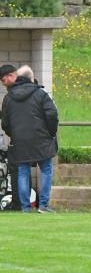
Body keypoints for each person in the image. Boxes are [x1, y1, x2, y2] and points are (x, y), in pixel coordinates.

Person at [1, 64, 58, 213]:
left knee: (23, 172)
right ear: (30, 79)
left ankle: (25, 208)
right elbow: (52, 115)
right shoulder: (40, 93)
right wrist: (51, 133)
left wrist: (15, 135)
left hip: (20, 141)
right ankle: (44, 205)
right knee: (46, 170)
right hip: (42, 139)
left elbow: (5, 123)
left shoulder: (8, 98)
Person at [0, 64, 21, 210]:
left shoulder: (9, 97)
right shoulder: (37, 91)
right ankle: (32, 204)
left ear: (11, 76)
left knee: (16, 170)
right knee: (26, 170)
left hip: (16, 140)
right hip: (36, 140)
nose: (3, 84)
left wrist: (12, 134)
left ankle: (18, 203)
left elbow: (5, 123)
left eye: (3, 80)